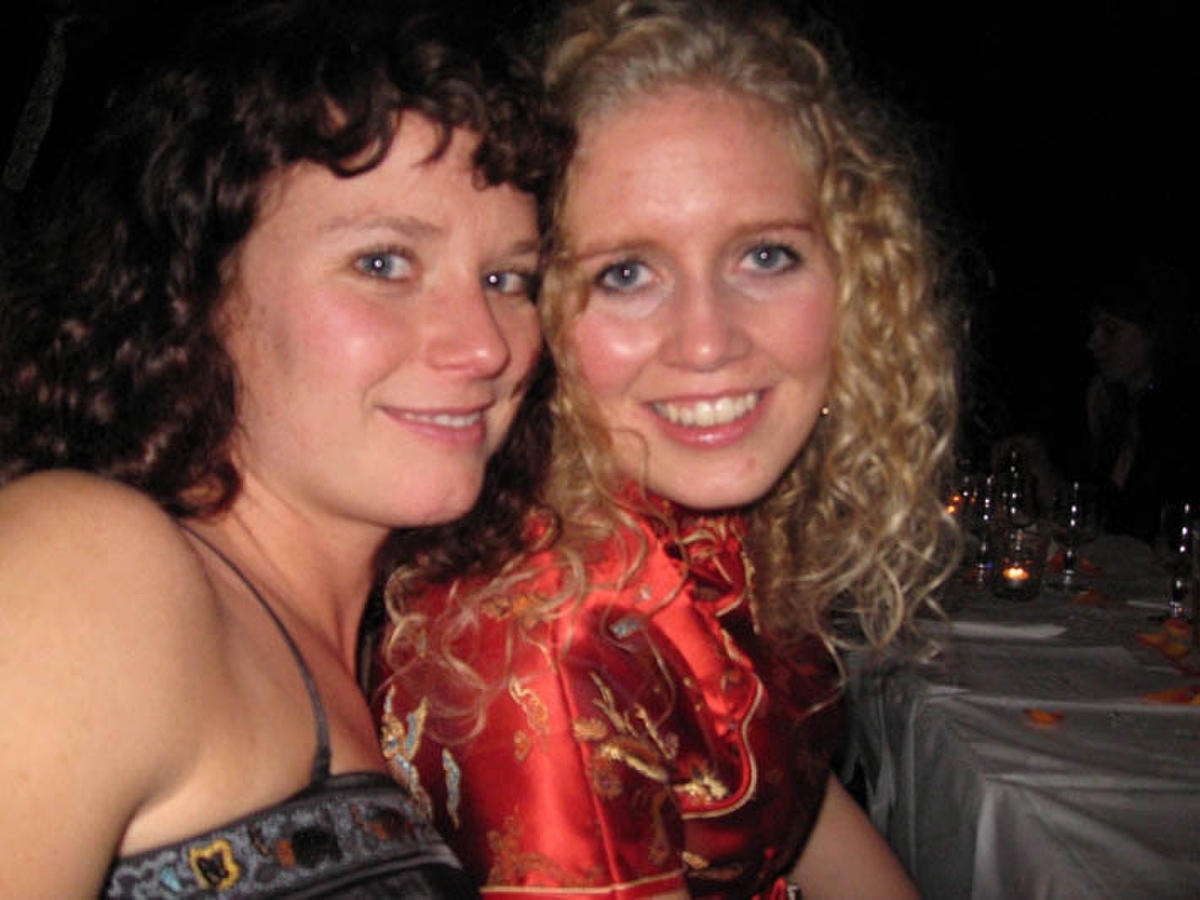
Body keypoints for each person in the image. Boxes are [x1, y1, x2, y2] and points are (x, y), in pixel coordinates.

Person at [374, 0, 957, 897]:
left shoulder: (708, 521)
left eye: (766, 256)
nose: (708, 341)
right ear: (539, 308)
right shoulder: (546, 646)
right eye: (626, 273)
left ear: (857, 278)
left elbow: (791, 803)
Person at [0, 0, 567, 895]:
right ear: (197, 286)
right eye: (383, 263)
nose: (485, 346)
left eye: (507, 278)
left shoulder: (398, 668)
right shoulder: (89, 563)